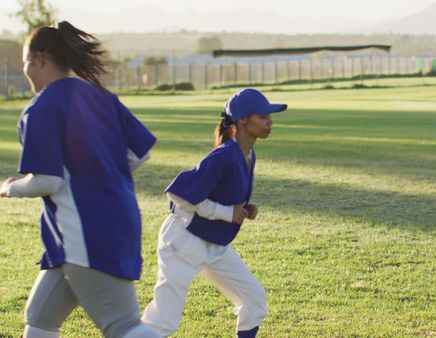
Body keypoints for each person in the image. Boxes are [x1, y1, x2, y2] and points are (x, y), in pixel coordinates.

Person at [0, 21, 159, 338]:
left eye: (25, 63)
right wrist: (99, 173)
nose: (26, 71)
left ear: (40, 59)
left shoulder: (42, 108)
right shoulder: (100, 95)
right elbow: (140, 154)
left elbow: (47, 181)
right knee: (40, 319)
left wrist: (10, 188)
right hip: (109, 222)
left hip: (85, 229)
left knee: (124, 326)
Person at [141, 88, 287, 338]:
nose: (269, 121)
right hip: (183, 241)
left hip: (214, 245)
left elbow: (222, 197)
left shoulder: (248, 153)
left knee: (253, 298)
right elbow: (179, 195)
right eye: (262, 116)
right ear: (242, 120)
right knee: (163, 321)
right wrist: (227, 213)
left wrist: (242, 209)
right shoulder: (223, 155)